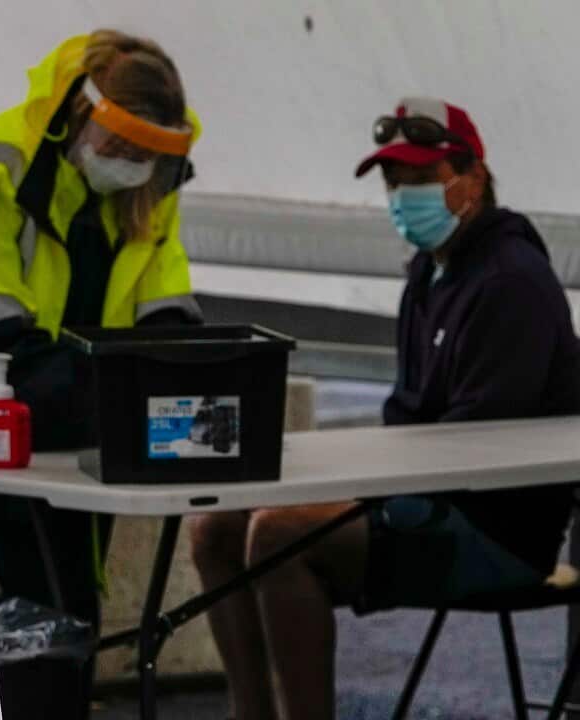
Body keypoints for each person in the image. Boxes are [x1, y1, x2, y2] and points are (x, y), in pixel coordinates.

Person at [187, 97, 580, 720]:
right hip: (432, 501)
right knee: (217, 527)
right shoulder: (429, 276)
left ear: (472, 178)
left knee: (278, 535)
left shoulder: (510, 283)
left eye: (420, 180)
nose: (402, 197)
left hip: (494, 532)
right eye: (395, 183)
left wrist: (350, 497)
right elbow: (407, 420)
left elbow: (478, 447)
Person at [0, 28, 203, 709]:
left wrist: (173, 375)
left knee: (61, 624)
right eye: (123, 147)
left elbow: (170, 327)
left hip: (73, 450)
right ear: (80, 110)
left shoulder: (151, 187)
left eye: (149, 155)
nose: (132, 166)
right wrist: (130, 386)